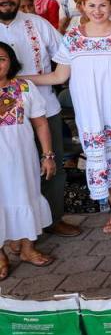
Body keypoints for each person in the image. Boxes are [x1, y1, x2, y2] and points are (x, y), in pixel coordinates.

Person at [29, 0, 111, 235]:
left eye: (103, 5)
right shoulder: (73, 37)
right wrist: (20, 79)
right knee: (101, 159)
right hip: (91, 113)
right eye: (91, 5)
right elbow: (59, 76)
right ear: (82, 7)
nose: (97, 11)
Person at [0, 0, 81, 237]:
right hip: (4, 118)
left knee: (52, 164)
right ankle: (15, 232)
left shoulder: (37, 23)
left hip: (45, 107)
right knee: (10, 173)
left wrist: (52, 79)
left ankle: (53, 219)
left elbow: (67, 54)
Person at [0, 42, 56, 280]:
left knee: (26, 196)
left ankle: (27, 249)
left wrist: (48, 155)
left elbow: (41, 124)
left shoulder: (25, 87)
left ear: (11, 62)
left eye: (1, 59)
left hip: (22, 159)